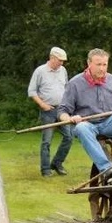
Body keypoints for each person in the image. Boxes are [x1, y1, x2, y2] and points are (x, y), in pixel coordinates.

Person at [57, 48, 112, 180]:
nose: (102, 68)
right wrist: (71, 118)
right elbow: (62, 111)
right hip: (88, 125)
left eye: (104, 64)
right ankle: (107, 169)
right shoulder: (75, 83)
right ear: (89, 63)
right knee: (81, 128)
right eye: (98, 64)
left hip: (110, 122)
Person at [27, 46, 73, 177]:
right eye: (60, 60)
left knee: (69, 137)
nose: (62, 63)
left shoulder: (63, 70)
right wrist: (42, 104)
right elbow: (31, 91)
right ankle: (45, 169)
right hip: (47, 110)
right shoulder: (40, 71)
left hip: (62, 109)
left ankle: (57, 163)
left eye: (63, 61)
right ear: (52, 58)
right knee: (47, 141)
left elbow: (67, 88)